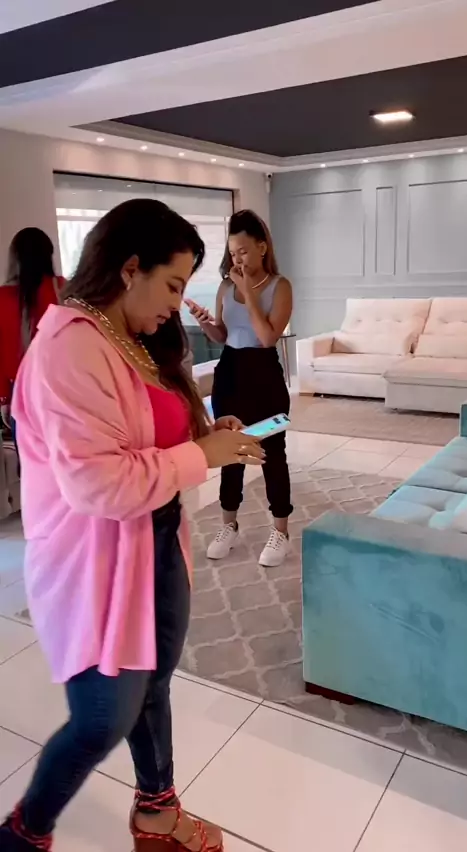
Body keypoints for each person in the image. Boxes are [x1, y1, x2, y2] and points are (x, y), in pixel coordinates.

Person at [0, 199, 264, 852]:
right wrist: (202, 457)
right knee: (102, 717)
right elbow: (100, 485)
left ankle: (156, 811)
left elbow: (155, 426)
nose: (176, 304)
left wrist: (207, 431)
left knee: (155, 683)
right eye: (172, 285)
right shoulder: (69, 346)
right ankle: (24, 831)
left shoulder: (134, 337)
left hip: (157, 539)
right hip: (96, 560)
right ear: (129, 268)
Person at [186, 209, 293, 567]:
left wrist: (248, 291)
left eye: (244, 251)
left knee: (272, 451)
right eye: (233, 253)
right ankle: (228, 525)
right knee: (230, 448)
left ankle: (281, 531)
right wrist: (206, 323)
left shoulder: (280, 286)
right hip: (230, 370)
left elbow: (267, 337)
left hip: (264, 373)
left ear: (262, 247)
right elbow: (222, 336)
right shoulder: (224, 287)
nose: (237, 259)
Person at [0, 228, 64, 443]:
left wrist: (3, 399)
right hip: (62, 387)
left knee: (30, 459)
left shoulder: (2, 298)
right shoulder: (64, 289)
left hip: (21, 391)